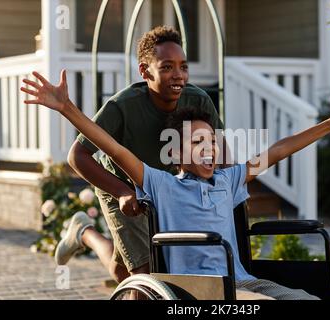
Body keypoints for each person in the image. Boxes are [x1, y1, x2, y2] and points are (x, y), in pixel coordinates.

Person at [21, 67, 330, 299]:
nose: (209, 149)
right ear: (177, 153)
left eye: (212, 142)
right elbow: (113, 147)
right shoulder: (160, 184)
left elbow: (277, 151)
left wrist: (329, 125)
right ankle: (85, 233)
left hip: (242, 280)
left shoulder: (229, 179)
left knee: (307, 299)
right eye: (198, 143)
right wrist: (67, 108)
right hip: (199, 290)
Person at [29, 26, 224, 283]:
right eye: (166, 67)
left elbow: (220, 150)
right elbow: (78, 156)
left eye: (183, 66)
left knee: (124, 271)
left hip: (165, 188)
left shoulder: (198, 100)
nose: (178, 75)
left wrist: (219, 190)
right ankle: (89, 232)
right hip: (121, 186)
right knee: (144, 273)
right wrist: (122, 192)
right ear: (145, 71)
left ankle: (84, 232)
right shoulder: (122, 106)